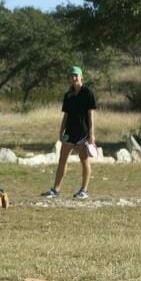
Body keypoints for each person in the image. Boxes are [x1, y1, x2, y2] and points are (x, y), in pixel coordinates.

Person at [41, 65, 97, 199]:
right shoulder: (68, 95)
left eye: (75, 75)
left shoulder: (88, 93)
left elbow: (90, 115)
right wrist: (61, 131)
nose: (73, 78)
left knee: (84, 160)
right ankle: (56, 190)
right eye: (71, 76)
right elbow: (65, 115)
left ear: (81, 77)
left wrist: (91, 134)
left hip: (82, 133)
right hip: (69, 132)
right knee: (62, 159)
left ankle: (84, 190)